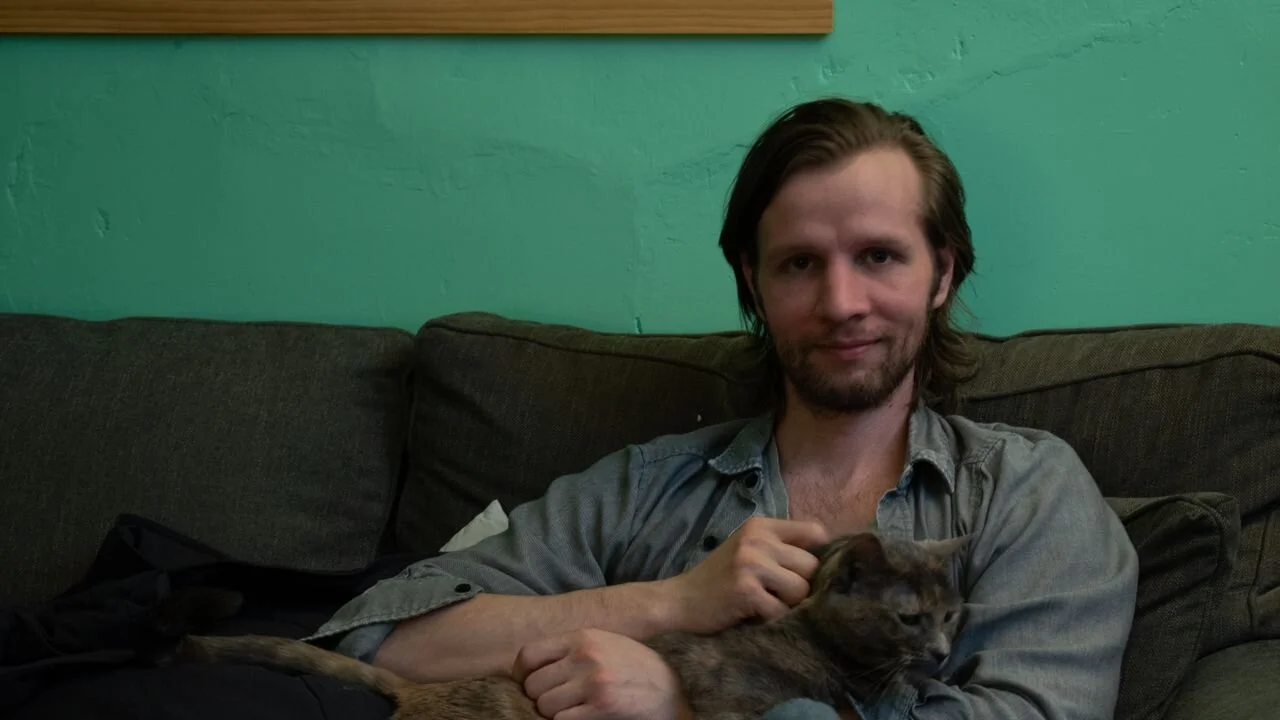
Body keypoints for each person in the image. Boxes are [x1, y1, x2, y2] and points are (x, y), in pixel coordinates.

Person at [307, 97, 1140, 720]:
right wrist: (669, 603)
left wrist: (684, 702)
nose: (841, 303)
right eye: (800, 264)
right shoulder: (647, 487)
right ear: (753, 281)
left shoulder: (1024, 492)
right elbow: (388, 638)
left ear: (943, 273)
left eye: (879, 256)